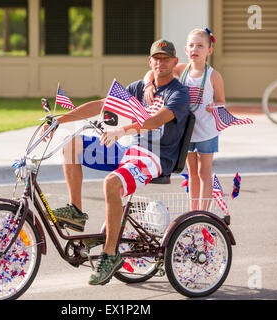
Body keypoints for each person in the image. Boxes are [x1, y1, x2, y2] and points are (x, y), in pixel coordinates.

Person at [40, 39, 190, 286]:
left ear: (174, 62)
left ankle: (111, 255)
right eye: (156, 58)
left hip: (154, 155)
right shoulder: (139, 88)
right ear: (150, 61)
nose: (161, 63)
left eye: (166, 59)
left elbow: (154, 121)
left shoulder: (178, 93)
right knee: (71, 145)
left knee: (111, 183)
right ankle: (76, 211)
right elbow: (102, 105)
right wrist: (60, 120)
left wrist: (123, 131)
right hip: (127, 148)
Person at [144, 28, 225, 210]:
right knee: (192, 173)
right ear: (186, 50)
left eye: (200, 45)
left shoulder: (214, 76)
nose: (195, 49)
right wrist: (149, 85)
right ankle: (192, 211)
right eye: (191, 45)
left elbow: (221, 101)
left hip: (206, 131)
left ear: (209, 50)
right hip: (186, 131)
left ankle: (203, 213)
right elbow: (152, 72)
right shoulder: (181, 69)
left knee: (204, 172)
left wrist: (215, 106)